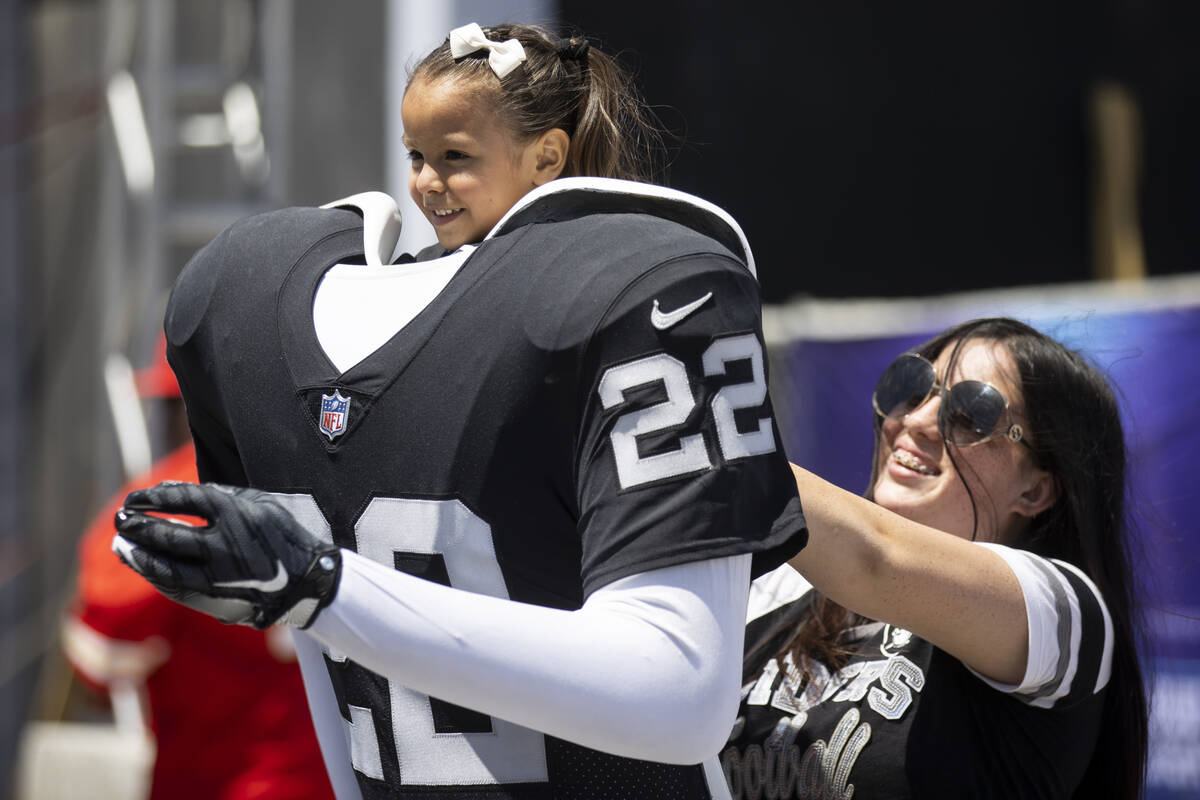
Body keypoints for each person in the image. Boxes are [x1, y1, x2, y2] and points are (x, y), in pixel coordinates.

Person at [110, 22, 807, 800]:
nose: (425, 184)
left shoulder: (634, 286)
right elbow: (328, 657)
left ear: (547, 154)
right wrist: (320, 594)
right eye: (416, 157)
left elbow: (677, 688)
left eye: (455, 159)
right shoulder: (256, 294)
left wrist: (329, 589)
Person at [722, 317, 1148, 799]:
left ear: (1035, 488)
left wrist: (709, 445)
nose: (916, 421)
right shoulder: (778, 590)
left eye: (971, 415)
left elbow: (876, 561)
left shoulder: (1063, 612)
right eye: (913, 390)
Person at [63, 343, 334, 800]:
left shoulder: (163, 503)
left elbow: (100, 660)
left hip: (215, 781)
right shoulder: (336, 483)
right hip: (330, 784)